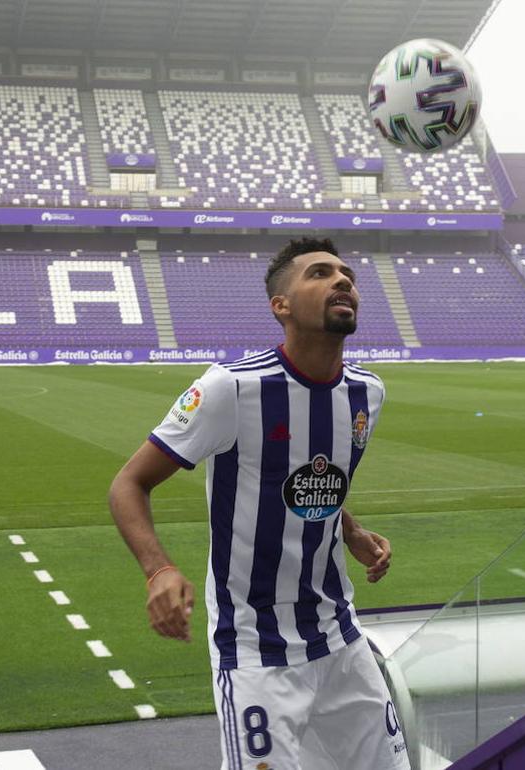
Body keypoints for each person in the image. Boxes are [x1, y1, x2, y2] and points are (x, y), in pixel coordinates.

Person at [108, 237, 410, 770]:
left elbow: (313, 479)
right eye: (320, 273)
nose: (343, 280)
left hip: (340, 637)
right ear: (282, 306)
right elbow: (129, 484)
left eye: (347, 275)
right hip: (254, 648)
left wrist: (352, 531)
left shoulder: (368, 394)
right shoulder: (232, 388)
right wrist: (158, 570)